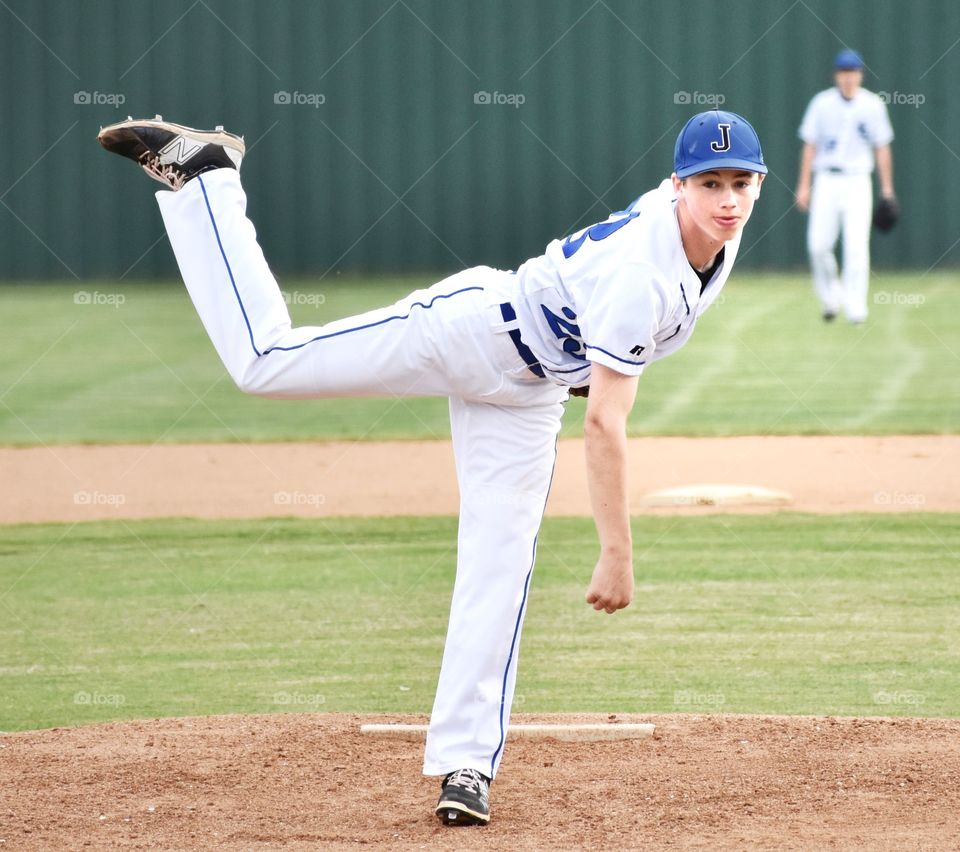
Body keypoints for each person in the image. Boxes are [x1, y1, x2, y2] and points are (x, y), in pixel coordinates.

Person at [97, 109, 766, 827]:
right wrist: (617, 552)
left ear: (759, 183)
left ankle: (467, 765)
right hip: (470, 331)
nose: (726, 199)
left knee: (499, 563)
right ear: (677, 186)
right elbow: (604, 422)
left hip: (527, 393)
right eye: (708, 183)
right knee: (267, 362)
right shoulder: (646, 272)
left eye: (740, 182)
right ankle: (207, 179)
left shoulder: (709, 241)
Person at [795, 48, 895, 323]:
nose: (848, 77)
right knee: (818, 245)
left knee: (856, 245)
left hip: (857, 179)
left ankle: (855, 305)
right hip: (826, 178)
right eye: (844, 72)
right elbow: (810, 145)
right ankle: (830, 299)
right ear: (836, 75)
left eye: (853, 72)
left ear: (860, 75)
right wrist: (804, 185)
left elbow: (882, 148)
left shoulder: (873, 104)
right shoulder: (821, 103)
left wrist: (887, 190)